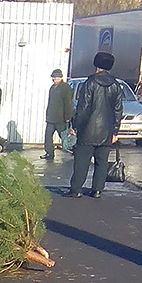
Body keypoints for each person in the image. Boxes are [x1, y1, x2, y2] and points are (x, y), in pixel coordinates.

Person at [68, 52, 123, 199]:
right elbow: (118, 110)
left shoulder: (90, 82)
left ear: (96, 65)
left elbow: (83, 108)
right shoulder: (116, 85)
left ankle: (76, 189)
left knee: (81, 161)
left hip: (88, 129)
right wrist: (115, 131)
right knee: (101, 162)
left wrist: (75, 126)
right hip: (106, 131)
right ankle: (97, 190)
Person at [41, 69, 73, 160]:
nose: (54, 79)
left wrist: (67, 117)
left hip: (60, 118)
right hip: (51, 117)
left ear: (60, 77)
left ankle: (73, 149)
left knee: (64, 136)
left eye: (55, 77)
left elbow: (68, 103)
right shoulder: (52, 88)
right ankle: (49, 153)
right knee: (48, 136)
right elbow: (50, 102)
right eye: (53, 77)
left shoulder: (65, 88)